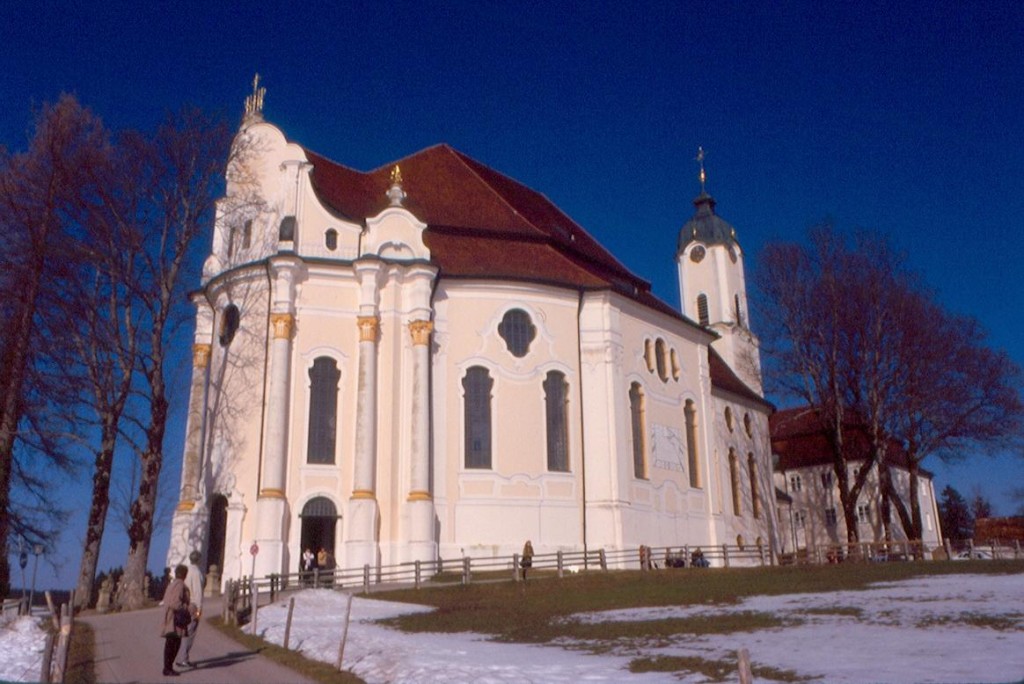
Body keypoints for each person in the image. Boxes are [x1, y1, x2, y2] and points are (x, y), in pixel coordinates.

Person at [159, 565, 191, 677]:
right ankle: (168, 668)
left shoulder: (172, 584)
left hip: (171, 618)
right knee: (173, 644)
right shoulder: (180, 585)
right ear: (185, 574)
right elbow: (175, 603)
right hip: (175, 619)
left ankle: (167, 667)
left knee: (171, 643)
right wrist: (187, 608)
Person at [176, 551, 205, 669]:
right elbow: (198, 593)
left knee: (184, 632)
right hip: (193, 606)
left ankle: (181, 657)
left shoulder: (187, 571)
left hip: (186, 605)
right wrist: (199, 610)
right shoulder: (197, 572)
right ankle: (184, 659)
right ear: (198, 560)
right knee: (190, 632)